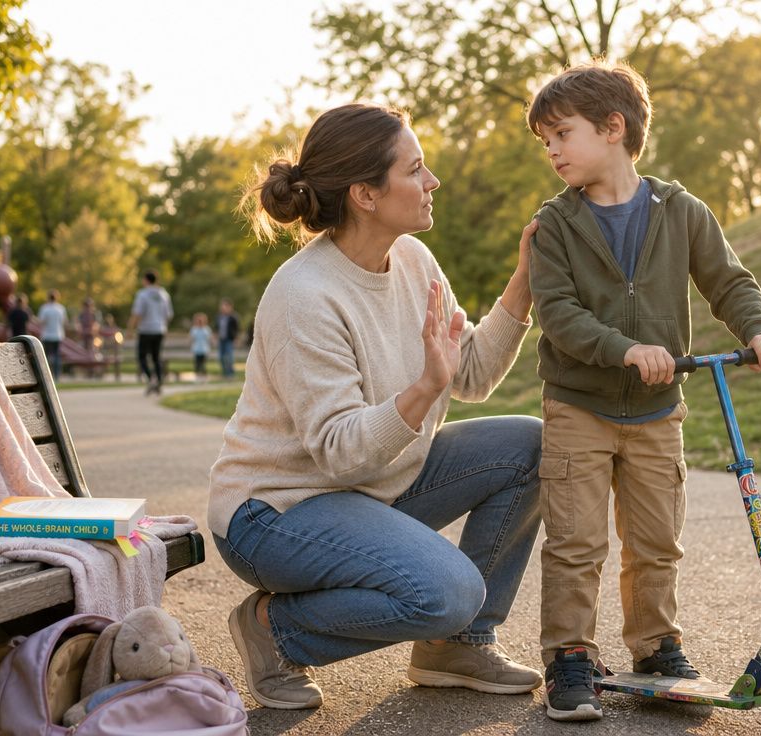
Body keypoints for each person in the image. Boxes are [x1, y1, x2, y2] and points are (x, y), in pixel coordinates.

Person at [208, 103, 542, 712]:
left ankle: (457, 646)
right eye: (415, 169)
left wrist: (525, 280)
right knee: (446, 590)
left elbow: (469, 374)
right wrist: (420, 390)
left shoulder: (412, 259)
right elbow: (337, 453)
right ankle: (274, 630)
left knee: (529, 445)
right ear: (365, 192)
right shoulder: (304, 295)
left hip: (370, 488)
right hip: (278, 512)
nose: (432, 181)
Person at [525, 60, 761, 721]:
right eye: (546, 141)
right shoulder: (555, 223)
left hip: (654, 411)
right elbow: (556, 311)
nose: (553, 150)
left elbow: (729, 281)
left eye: (562, 133)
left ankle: (655, 646)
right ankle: (570, 657)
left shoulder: (681, 210)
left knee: (655, 540)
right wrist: (624, 348)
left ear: (613, 128)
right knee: (577, 542)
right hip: (578, 406)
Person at [129, 270, 173, 396]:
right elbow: (169, 315)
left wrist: (131, 329)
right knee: (156, 357)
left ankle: (150, 378)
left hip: (146, 330)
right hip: (159, 329)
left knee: (142, 356)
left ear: (146, 280)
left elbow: (137, 314)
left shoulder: (142, 294)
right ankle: (158, 380)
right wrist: (163, 326)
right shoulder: (164, 295)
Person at [36, 290, 68, 380]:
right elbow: (64, 322)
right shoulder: (61, 308)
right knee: (57, 356)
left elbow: (41, 321)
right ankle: (57, 375)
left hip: (47, 335)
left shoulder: (45, 308)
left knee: (46, 356)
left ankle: (46, 375)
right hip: (58, 335)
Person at [215, 298, 240, 379]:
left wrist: (236, 338)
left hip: (229, 339)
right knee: (221, 357)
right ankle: (224, 373)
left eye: (225, 306)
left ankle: (230, 374)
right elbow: (216, 327)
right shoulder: (219, 317)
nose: (223, 308)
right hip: (221, 339)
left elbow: (237, 329)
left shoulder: (233, 317)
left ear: (230, 307)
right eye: (222, 306)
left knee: (229, 357)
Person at [189, 312, 213, 383]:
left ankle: (203, 376)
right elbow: (191, 338)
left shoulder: (206, 329)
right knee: (197, 363)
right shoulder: (194, 329)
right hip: (197, 349)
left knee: (203, 363)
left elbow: (210, 338)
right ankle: (197, 375)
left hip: (204, 349)